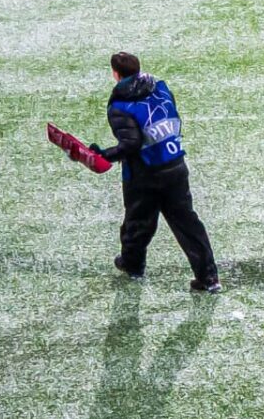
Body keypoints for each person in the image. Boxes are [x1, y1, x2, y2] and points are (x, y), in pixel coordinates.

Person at [88, 52, 220, 292]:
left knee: (137, 223)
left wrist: (104, 155)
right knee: (188, 224)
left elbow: (131, 144)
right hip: (176, 165)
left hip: (144, 175)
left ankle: (132, 265)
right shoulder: (160, 88)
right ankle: (208, 277)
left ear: (115, 74)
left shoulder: (119, 106)